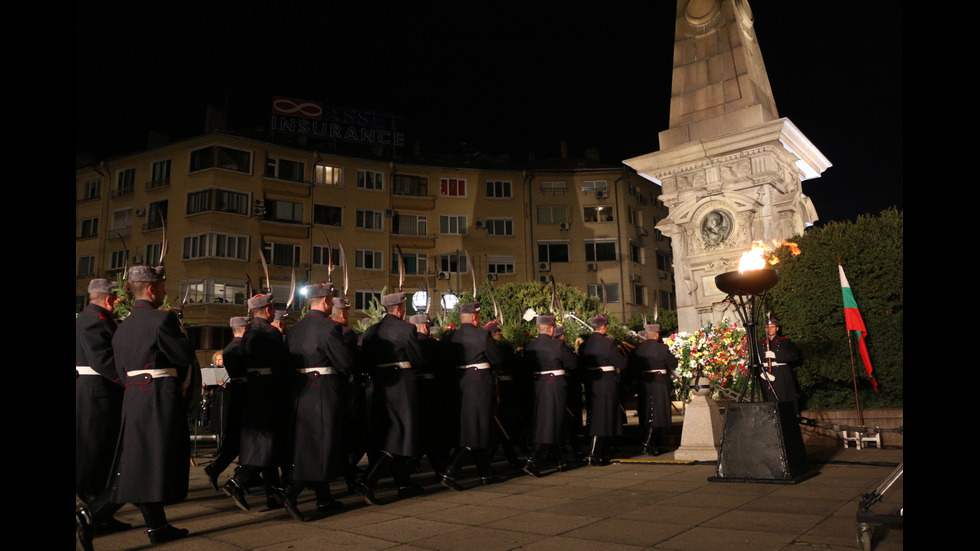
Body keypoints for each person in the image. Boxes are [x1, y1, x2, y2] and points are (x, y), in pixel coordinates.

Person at [108, 266, 195, 544]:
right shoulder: (162, 320)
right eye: (162, 287)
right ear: (151, 289)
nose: (164, 291)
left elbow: (120, 372)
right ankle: (92, 515)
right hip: (159, 397)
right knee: (156, 462)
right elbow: (183, 356)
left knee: (141, 462)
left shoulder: (122, 327)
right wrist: (180, 331)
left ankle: (157, 527)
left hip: (133, 397)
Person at [278, 283, 355, 521]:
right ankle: (289, 492)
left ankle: (324, 498)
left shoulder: (295, 329)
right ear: (325, 301)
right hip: (324, 393)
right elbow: (345, 363)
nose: (332, 303)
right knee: (322, 446)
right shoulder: (329, 328)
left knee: (310, 444)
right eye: (331, 299)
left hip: (301, 393)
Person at [354, 291, 426, 505]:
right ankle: (368, 481)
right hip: (402, 388)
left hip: (379, 387)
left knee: (389, 435)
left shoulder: (371, 332)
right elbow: (418, 359)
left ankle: (404, 485)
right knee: (400, 435)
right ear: (399, 309)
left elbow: (363, 362)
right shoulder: (406, 329)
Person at [223, 293, 291, 512]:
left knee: (265, 442)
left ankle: (273, 495)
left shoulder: (249, 332)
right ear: (269, 310)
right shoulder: (270, 333)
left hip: (253, 389)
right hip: (270, 392)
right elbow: (281, 365)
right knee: (270, 443)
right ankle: (238, 482)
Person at [76, 278, 130, 535]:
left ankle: (98, 514)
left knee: (94, 452)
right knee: (98, 453)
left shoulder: (83, 318)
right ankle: (93, 513)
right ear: (109, 300)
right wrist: (127, 381)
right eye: (116, 300)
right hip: (98, 393)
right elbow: (103, 360)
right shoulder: (96, 321)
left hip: (88, 391)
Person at [439, 303, 504, 490]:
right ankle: (450, 472)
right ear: (475, 317)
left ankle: (485, 473)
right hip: (478, 385)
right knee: (477, 427)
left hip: (459, 384)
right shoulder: (482, 335)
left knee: (473, 427)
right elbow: (497, 359)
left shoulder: (451, 338)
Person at [520, 314, 577, 477]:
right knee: (551, 422)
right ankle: (532, 461)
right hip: (555, 386)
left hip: (538, 386)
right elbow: (572, 363)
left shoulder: (530, 346)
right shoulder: (558, 345)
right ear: (552, 329)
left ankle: (560, 461)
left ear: (538, 329)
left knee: (549, 421)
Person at [204, 316, 249, 491]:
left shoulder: (229, 348)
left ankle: (218, 468)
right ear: (245, 329)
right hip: (244, 393)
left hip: (235, 393)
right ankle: (218, 468)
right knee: (239, 438)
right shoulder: (242, 348)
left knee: (235, 439)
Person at [577, 315, 627, 466]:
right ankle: (595, 454)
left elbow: (580, 366)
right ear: (604, 327)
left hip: (592, 384)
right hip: (606, 384)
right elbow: (622, 363)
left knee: (597, 417)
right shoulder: (608, 343)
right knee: (606, 417)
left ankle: (601, 453)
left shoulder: (584, 345)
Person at [410, 312, 453, 482]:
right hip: (431, 390)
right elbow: (443, 368)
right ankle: (439, 467)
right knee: (433, 430)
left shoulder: (410, 343)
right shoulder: (431, 344)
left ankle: (414, 461)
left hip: (414, 389)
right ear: (426, 326)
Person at [629, 324, 677, 455]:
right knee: (660, 413)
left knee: (647, 413)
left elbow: (632, 368)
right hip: (659, 383)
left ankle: (660, 444)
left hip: (645, 383)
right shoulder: (662, 348)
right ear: (657, 334)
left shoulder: (638, 349)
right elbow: (673, 364)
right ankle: (649, 445)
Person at [758, 318, 802, 415]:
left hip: (781, 373)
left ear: (777, 328)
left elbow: (794, 356)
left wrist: (776, 356)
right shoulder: (760, 343)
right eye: (768, 327)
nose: (770, 329)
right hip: (765, 373)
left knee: (782, 396)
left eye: (772, 327)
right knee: (768, 399)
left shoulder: (785, 341)